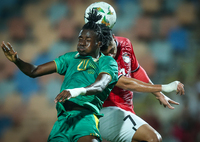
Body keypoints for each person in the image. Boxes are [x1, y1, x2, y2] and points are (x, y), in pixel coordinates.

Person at [1, 10, 119, 142]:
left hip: (85, 117)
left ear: (99, 44)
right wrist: (17, 60)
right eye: (80, 38)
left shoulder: (107, 61)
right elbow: (34, 71)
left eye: (87, 40)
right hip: (62, 122)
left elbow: (100, 85)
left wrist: (74, 92)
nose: (81, 42)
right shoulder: (70, 58)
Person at [85, 2, 185, 142]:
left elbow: (136, 71)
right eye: (106, 54)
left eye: (112, 50)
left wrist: (158, 94)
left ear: (113, 38)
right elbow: (126, 83)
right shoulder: (93, 59)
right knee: (153, 138)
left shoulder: (125, 43)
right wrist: (164, 87)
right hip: (104, 111)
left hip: (124, 111)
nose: (111, 56)